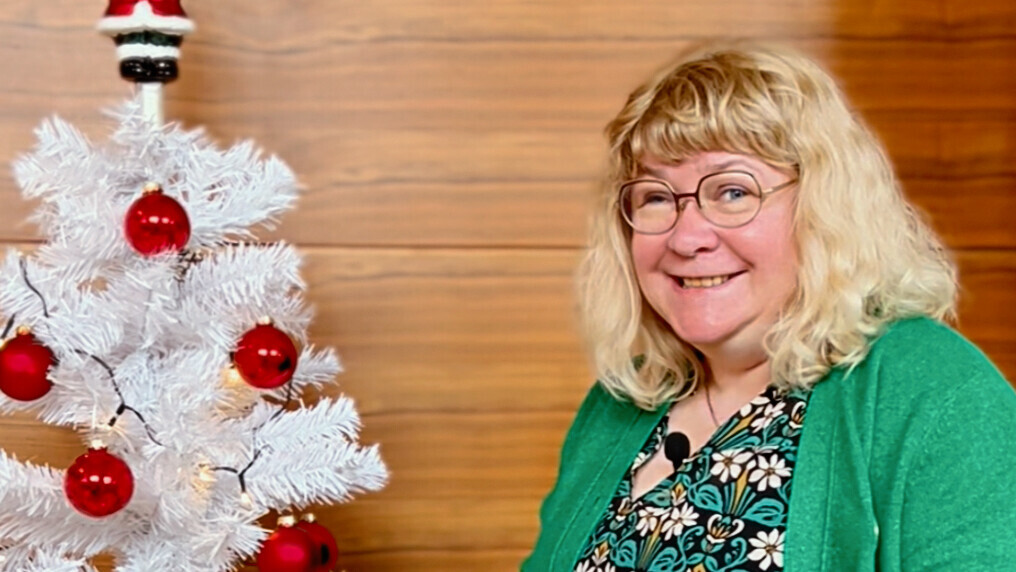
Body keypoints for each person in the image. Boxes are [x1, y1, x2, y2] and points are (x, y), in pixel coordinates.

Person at [523, 42, 1016, 572]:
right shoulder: (618, 406)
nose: (687, 237)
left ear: (825, 205)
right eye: (656, 197)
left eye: (733, 192)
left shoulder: (936, 391)